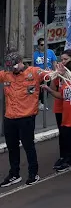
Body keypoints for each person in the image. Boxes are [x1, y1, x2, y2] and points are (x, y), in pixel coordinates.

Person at [0, 50, 46, 187]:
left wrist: (59, 71)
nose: (11, 69)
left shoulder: (35, 72)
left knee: (28, 146)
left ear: (20, 62)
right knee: (12, 147)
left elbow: (53, 75)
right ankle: (14, 174)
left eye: (13, 66)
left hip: (26, 117)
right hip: (10, 117)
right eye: (9, 67)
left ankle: (33, 173)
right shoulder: (6, 74)